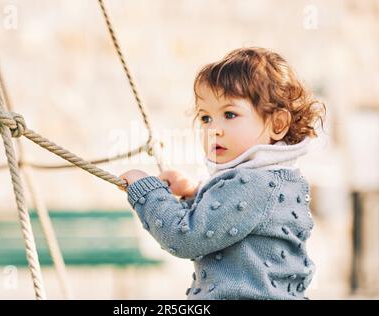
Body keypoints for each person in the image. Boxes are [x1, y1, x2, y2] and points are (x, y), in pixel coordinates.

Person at [119, 47, 326, 299]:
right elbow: (236, 222)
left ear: (277, 123)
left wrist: (146, 191)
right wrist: (195, 192)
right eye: (205, 118)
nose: (214, 129)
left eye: (230, 114)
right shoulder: (280, 178)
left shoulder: (252, 183)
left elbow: (185, 237)